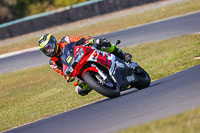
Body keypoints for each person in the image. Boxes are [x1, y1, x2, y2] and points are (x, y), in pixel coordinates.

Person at [38, 34, 132, 96]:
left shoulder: (65, 40)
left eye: (49, 48)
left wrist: (87, 41)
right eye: (46, 50)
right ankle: (99, 84)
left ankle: (123, 55)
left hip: (84, 54)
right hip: (77, 70)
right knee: (79, 90)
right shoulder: (53, 63)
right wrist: (67, 77)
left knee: (101, 42)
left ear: (54, 42)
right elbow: (63, 72)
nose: (49, 51)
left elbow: (79, 40)